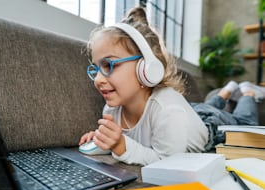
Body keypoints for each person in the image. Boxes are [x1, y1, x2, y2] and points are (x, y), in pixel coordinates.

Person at [78, 6, 265, 166]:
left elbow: (168, 161)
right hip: (188, 116)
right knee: (207, 106)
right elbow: (128, 143)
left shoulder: (168, 109)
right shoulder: (111, 110)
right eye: (95, 68)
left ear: (146, 69)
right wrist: (105, 140)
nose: (97, 80)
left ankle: (247, 91)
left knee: (246, 123)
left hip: (209, 128)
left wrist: (121, 146)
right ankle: (227, 90)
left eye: (109, 65)